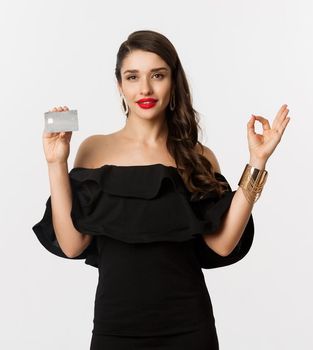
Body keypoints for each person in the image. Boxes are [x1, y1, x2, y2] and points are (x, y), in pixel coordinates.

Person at [32, 30, 290, 349]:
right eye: (132, 76)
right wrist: (56, 163)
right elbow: (71, 245)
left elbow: (223, 244)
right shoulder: (93, 150)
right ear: (120, 86)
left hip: (189, 330)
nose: (145, 88)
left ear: (173, 81)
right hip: (116, 330)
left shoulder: (197, 156)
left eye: (157, 75)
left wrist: (257, 161)